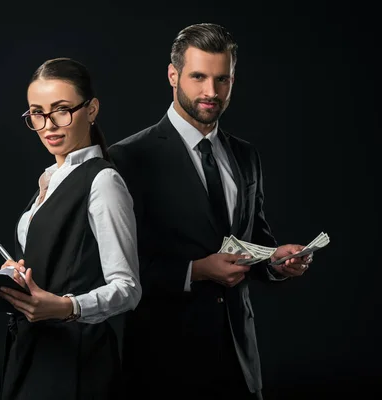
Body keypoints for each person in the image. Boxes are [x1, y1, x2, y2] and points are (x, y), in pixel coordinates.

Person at [108, 23, 314, 400]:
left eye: (222, 79)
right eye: (198, 77)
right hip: (163, 365)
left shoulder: (245, 156)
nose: (211, 92)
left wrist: (276, 261)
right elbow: (117, 268)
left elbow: (255, 241)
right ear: (173, 75)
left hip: (239, 362)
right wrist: (197, 270)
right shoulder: (127, 158)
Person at [0, 57, 142, 400]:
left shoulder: (103, 181)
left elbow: (128, 288)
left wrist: (67, 306)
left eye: (61, 110)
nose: (48, 125)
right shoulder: (49, 179)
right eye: (37, 113)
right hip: (33, 348)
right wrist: (15, 274)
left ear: (91, 110)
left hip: (79, 359)